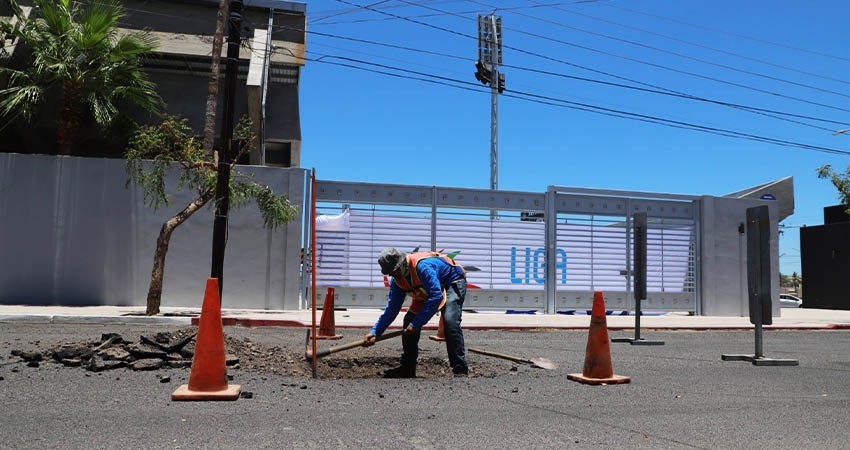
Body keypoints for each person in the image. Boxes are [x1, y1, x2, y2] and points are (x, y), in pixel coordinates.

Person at [362, 247, 469, 378]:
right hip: (428, 289)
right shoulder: (397, 281)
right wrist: (375, 332)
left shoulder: (422, 267)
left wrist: (417, 323)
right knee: (408, 321)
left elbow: (436, 297)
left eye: (395, 271)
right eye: (390, 274)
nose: (394, 276)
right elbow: (392, 309)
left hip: (451, 280)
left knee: (450, 321)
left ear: (402, 264)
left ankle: (460, 369)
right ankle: (407, 368)